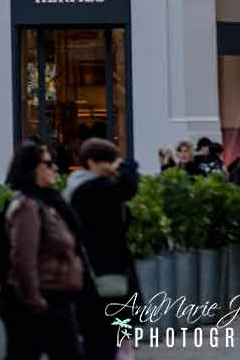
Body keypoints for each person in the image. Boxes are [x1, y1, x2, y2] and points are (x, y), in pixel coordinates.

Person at [2, 143, 84, 360]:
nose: (54, 168)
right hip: (40, 302)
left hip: (58, 298)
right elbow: (23, 259)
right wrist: (36, 303)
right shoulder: (28, 206)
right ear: (31, 168)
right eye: (48, 163)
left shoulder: (50, 203)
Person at [64, 138, 138, 360]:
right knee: (104, 332)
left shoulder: (95, 186)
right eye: (107, 161)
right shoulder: (88, 188)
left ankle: (123, 352)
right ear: (91, 163)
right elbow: (128, 188)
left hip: (109, 268)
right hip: (101, 270)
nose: (111, 166)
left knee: (118, 325)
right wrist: (127, 166)